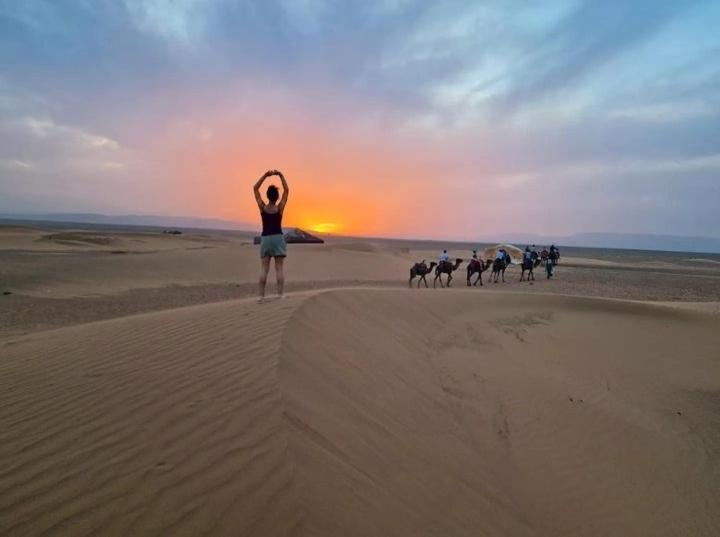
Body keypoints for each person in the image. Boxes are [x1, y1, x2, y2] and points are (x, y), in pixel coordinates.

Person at [253, 169, 289, 302]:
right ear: (277, 197)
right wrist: (281, 175)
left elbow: (255, 188)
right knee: (279, 268)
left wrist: (265, 175)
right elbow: (286, 190)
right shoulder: (280, 208)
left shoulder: (262, 207)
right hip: (278, 238)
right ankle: (280, 295)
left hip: (266, 238)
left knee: (264, 269)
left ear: (267, 196)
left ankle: (261, 296)